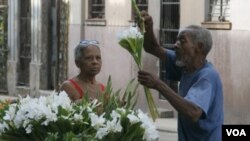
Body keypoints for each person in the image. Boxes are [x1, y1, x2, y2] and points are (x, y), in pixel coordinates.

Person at [137, 11, 223, 141]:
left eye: (182, 41)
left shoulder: (207, 76)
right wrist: (148, 28)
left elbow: (193, 112)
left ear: (199, 47)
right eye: (177, 40)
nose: (175, 45)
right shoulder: (184, 65)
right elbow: (152, 48)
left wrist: (159, 85)